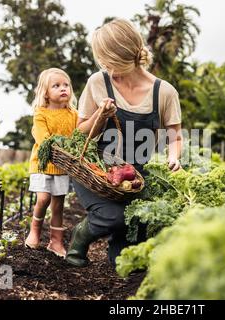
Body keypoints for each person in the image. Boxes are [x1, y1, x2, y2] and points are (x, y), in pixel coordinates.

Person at [66, 18, 183, 268]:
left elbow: (176, 136)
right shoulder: (98, 82)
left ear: (119, 56)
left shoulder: (164, 92)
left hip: (133, 178)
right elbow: (80, 133)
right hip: (94, 170)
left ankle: (117, 243)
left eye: (104, 58)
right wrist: (100, 115)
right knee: (112, 217)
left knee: (125, 260)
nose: (102, 64)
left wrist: (174, 157)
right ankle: (80, 236)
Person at [25, 68, 78, 257]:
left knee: (58, 204)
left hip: (63, 166)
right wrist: (64, 147)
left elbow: (79, 135)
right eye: (56, 86)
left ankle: (56, 242)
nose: (63, 89)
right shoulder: (41, 113)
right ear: (46, 92)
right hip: (42, 163)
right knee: (43, 198)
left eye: (66, 85)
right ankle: (35, 230)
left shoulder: (73, 114)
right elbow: (43, 138)